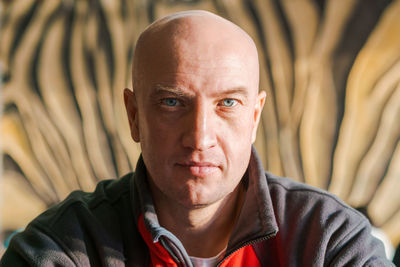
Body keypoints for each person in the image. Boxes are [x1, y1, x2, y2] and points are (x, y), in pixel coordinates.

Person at [1, 10, 393, 266]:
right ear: (134, 116)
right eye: (173, 102)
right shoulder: (62, 247)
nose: (200, 136)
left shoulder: (330, 241)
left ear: (254, 117)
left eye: (227, 103)